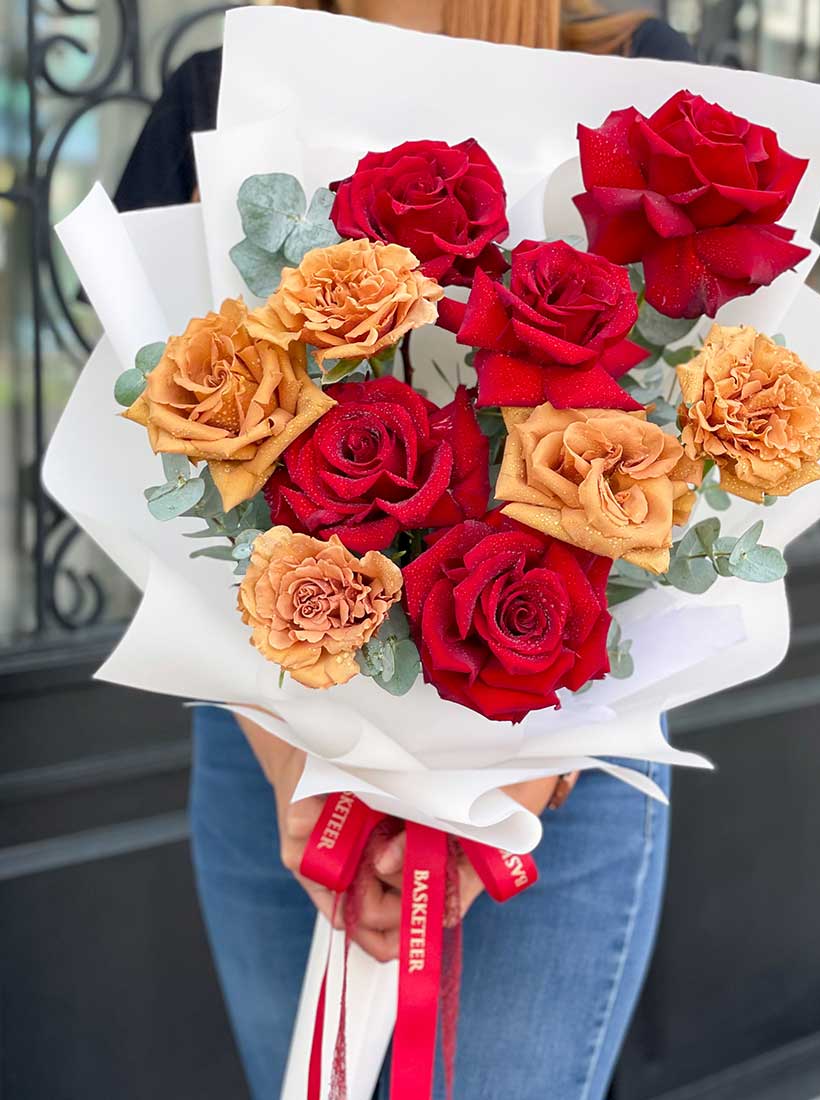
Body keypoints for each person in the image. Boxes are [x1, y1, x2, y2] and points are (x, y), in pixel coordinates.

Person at [114, 4, 694, 1098]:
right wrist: (308, 773)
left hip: (552, 767)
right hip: (270, 749)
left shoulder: (645, 84)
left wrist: (498, 792)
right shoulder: (219, 85)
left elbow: (691, 445)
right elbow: (147, 438)